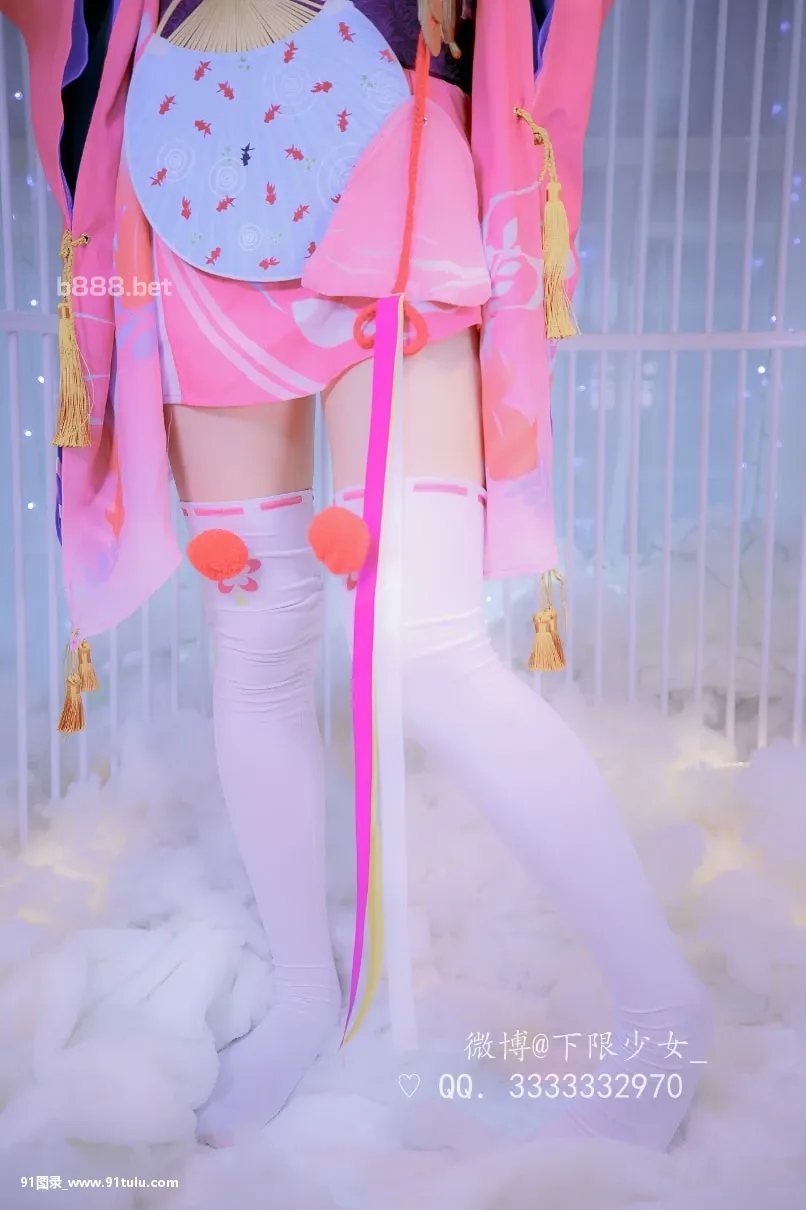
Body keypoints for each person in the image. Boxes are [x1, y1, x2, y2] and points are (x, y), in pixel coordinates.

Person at [3, 0, 710, 1152]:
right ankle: (301, 993)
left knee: (423, 644)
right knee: (256, 626)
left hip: (385, 136)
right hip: (190, 155)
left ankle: (659, 1010)